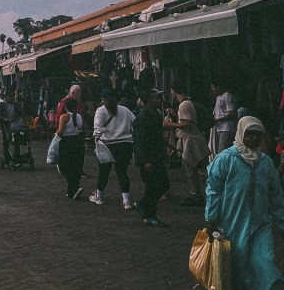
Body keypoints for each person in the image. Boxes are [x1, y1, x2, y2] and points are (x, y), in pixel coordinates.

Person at [205, 117, 284, 290]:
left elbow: (276, 196)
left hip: (260, 225)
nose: (254, 138)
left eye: (258, 134)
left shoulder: (266, 163)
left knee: (266, 262)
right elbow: (213, 191)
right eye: (250, 133)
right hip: (231, 223)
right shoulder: (225, 159)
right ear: (241, 133)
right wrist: (211, 219)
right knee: (234, 265)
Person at [89, 88, 136, 209]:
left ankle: (99, 197)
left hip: (108, 145)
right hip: (125, 144)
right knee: (122, 173)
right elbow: (135, 122)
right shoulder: (125, 110)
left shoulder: (101, 110)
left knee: (104, 172)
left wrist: (96, 142)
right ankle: (126, 201)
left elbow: (98, 128)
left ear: (103, 99)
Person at [163, 84, 208, 206]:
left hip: (191, 139)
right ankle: (196, 193)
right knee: (192, 166)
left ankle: (196, 194)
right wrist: (174, 115)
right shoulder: (187, 102)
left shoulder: (184, 105)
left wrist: (170, 124)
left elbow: (186, 124)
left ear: (173, 91)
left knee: (191, 166)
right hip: (191, 138)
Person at [132, 88, 170, 227]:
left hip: (157, 157)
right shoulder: (142, 118)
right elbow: (140, 141)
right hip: (149, 159)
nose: (158, 100)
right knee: (153, 186)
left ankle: (143, 204)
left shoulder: (156, 115)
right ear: (146, 101)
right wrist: (145, 161)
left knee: (163, 184)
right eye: (155, 98)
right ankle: (150, 215)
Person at [55, 97, 85, 199]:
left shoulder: (64, 117)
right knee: (76, 166)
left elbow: (60, 131)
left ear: (65, 107)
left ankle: (73, 188)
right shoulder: (79, 117)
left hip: (67, 143)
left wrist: (54, 140)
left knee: (65, 166)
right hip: (78, 142)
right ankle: (73, 188)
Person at [210, 80, 238, 160]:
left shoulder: (227, 96)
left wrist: (217, 120)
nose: (212, 89)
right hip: (220, 128)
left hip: (227, 128)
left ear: (218, 87)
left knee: (222, 151)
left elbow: (231, 113)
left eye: (213, 87)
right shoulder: (218, 98)